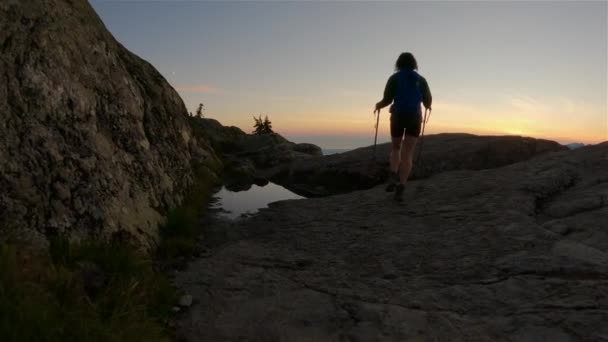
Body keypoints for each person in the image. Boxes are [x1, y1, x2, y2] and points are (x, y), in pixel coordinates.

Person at [374, 52, 432, 201]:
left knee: (395, 148)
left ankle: (393, 174)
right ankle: (402, 185)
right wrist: (427, 106)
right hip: (415, 118)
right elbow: (428, 100)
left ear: (398, 64)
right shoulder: (421, 80)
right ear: (414, 64)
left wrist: (378, 105)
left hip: (398, 116)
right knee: (408, 153)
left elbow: (387, 99)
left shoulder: (394, 78)